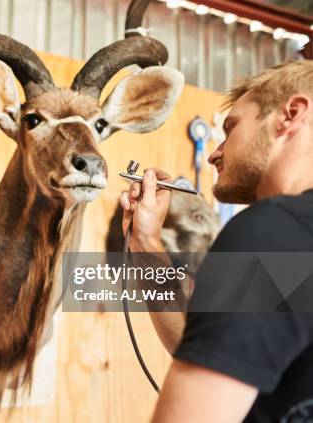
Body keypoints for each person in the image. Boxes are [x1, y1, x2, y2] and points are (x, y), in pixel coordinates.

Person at [120, 60, 313, 422]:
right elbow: (221, 350)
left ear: (290, 115)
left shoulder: (272, 233)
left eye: (232, 127)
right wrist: (146, 243)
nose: (214, 153)